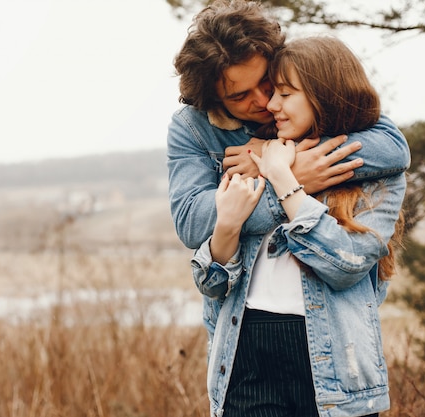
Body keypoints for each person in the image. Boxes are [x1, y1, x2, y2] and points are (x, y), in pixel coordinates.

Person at [191, 35, 406, 417]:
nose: (270, 104)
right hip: (246, 355)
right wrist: (237, 212)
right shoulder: (256, 157)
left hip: (336, 360)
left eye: (284, 94)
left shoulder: (377, 176)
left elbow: (346, 265)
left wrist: (284, 179)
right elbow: (213, 280)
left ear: (323, 95)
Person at [167, 0, 409, 252]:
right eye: (240, 96)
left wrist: (278, 158)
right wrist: (288, 178)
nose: (264, 102)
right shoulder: (192, 126)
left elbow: (391, 149)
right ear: (213, 100)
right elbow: (192, 223)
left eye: (266, 82)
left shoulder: (309, 88)